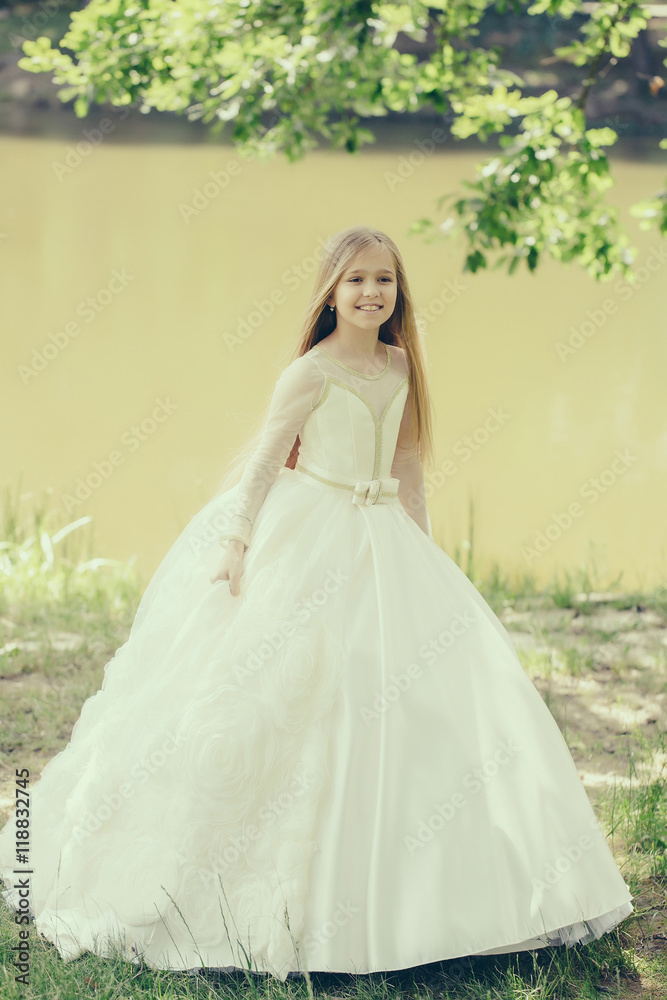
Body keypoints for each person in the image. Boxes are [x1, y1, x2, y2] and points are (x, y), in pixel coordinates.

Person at [0, 224, 633, 981]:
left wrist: (424, 552)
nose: (371, 292)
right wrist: (236, 543)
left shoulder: (400, 366)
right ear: (331, 292)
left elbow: (407, 464)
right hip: (311, 529)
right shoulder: (310, 372)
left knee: (411, 695)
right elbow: (265, 464)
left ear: (399, 294)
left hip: (382, 535)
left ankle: (438, 896)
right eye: (356, 280)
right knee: (290, 691)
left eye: (384, 280)